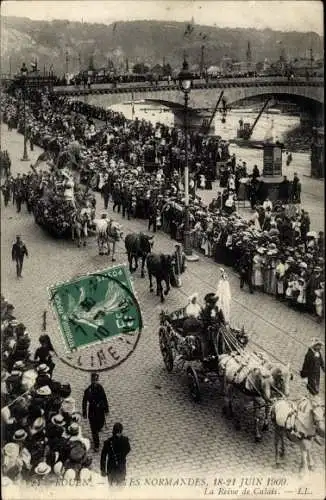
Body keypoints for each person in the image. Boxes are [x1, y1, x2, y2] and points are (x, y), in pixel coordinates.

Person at [82, 373, 109, 452]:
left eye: (96, 380)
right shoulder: (88, 390)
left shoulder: (100, 388)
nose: (95, 382)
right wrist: (84, 412)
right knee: (94, 430)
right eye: (93, 380)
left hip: (100, 411)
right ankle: (96, 445)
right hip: (92, 412)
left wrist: (106, 410)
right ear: (91, 380)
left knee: (100, 424)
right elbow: (84, 401)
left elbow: (104, 398)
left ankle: (99, 428)